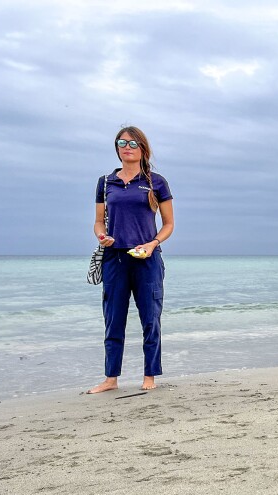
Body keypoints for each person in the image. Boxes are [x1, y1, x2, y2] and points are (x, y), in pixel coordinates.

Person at [88, 126, 174, 394]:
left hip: (147, 260)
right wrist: (102, 237)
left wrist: (153, 243)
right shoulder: (105, 182)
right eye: (122, 142)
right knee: (113, 319)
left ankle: (150, 375)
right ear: (117, 148)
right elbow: (98, 222)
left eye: (133, 143)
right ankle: (111, 378)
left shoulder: (156, 182)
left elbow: (169, 224)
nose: (127, 147)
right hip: (115, 259)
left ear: (143, 149)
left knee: (151, 319)